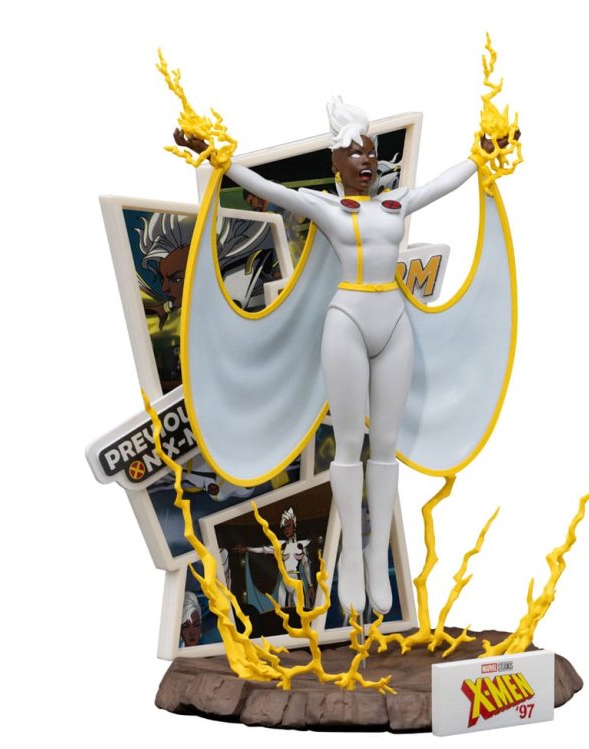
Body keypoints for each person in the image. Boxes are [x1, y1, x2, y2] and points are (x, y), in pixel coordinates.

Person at [175, 98, 511, 617]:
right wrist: (219, 160)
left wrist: (479, 156)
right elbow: (270, 189)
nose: (366, 161)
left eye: (371, 152)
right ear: (336, 163)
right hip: (347, 322)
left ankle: (377, 557)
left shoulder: (396, 203)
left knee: (387, 443)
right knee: (350, 442)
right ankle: (351, 556)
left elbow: (441, 185)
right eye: (355, 153)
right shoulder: (327, 208)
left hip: (394, 322)